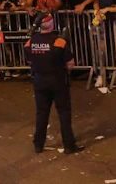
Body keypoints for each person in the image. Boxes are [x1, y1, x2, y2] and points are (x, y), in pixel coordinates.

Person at [24, 12, 80, 154]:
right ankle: (69, 145)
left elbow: (29, 61)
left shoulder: (30, 42)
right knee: (63, 113)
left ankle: (38, 144)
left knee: (42, 113)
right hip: (58, 81)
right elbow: (70, 64)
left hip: (39, 81)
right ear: (51, 24)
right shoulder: (59, 42)